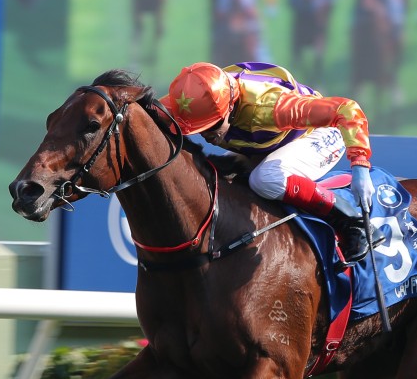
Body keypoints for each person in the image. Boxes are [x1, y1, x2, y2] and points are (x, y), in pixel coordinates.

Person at [160, 62, 381, 263]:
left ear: (229, 107)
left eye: (211, 126)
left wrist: (360, 163)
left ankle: (354, 222)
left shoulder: (271, 108)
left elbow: (347, 110)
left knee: (264, 179)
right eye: (197, 128)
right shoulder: (188, 100)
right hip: (267, 143)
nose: (205, 135)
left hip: (319, 133)